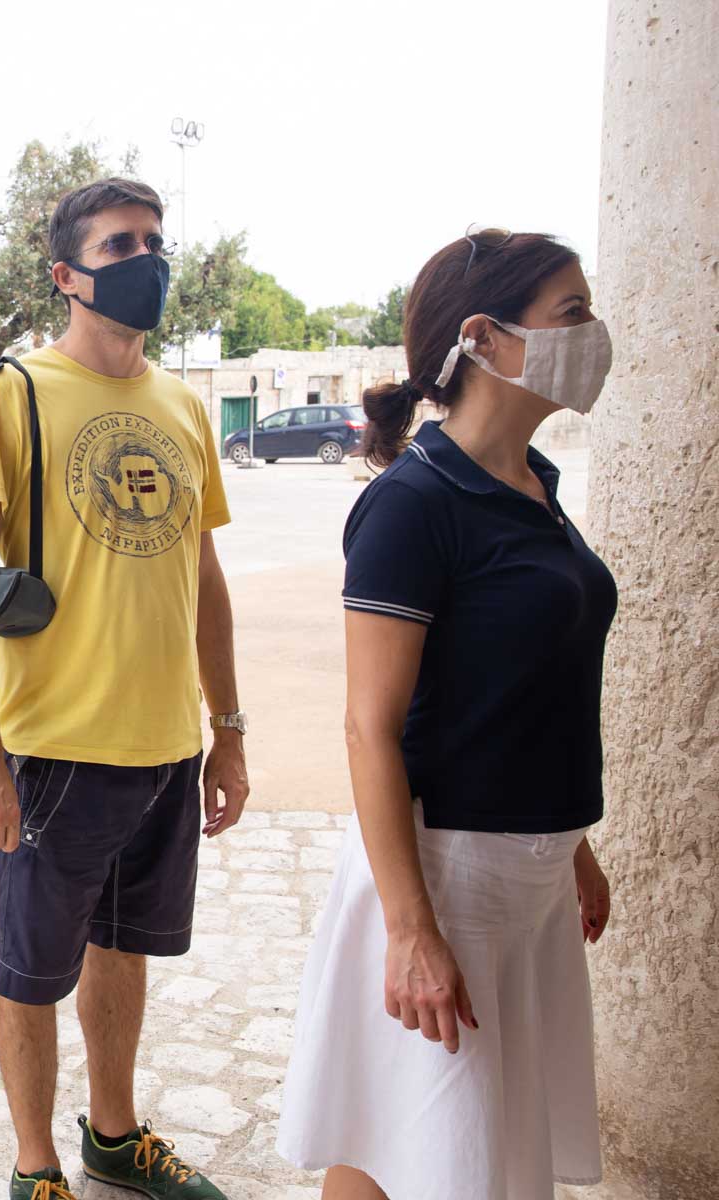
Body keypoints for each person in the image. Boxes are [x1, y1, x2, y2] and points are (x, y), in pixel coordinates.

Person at [277, 230, 617, 1200]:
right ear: (485, 337)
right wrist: (410, 928)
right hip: (448, 874)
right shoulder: (414, 503)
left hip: (528, 872)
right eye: (571, 313)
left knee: (423, 1141)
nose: (593, 334)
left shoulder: (535, 487)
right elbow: (370, 728)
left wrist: (575, 846)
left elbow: (529, 684)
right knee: (420, 1148)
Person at [0, 178, 245, 1200]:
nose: (146, 258)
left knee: (123, 949)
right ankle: (37, 1169)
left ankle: (114, 1137)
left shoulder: (182, 405)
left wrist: (227, 728)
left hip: (166, 748)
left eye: (155, 240)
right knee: (32, 969)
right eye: (121, 244)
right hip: (53, 750)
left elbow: (203, 578)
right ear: (67, 275)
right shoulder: (10, 392)